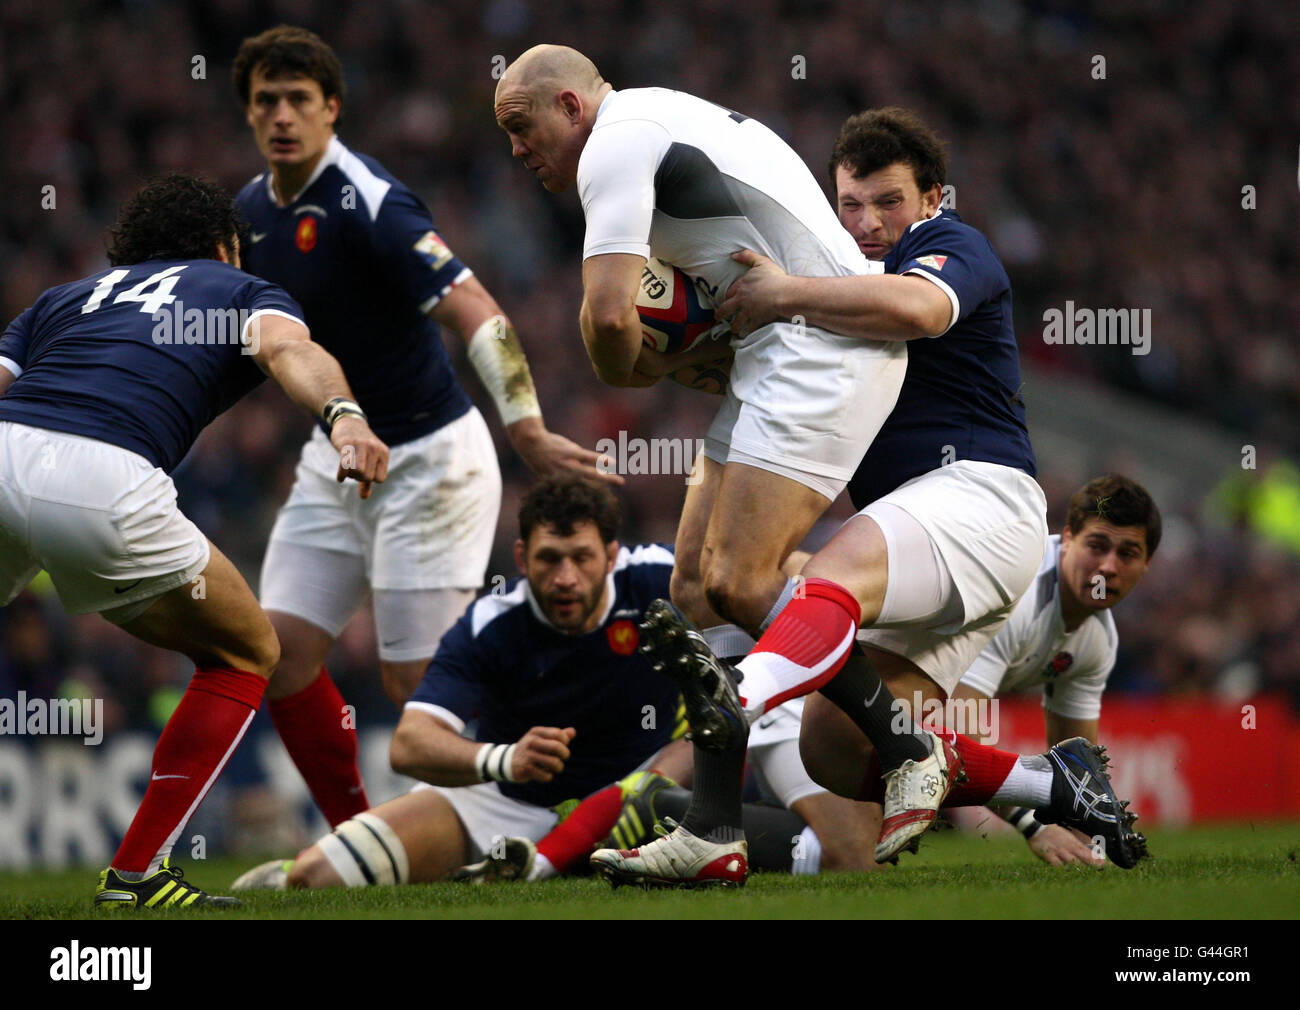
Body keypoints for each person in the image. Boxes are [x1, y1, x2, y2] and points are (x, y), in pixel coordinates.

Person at [590, 108, 1145, 885]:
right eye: (850, 203)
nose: (868, 221)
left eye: (888, 201)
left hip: (980, 499)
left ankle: (724, 748)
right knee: (838, 752)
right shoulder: (832, 281)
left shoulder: (950, 246)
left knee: (820, 587)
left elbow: (918, 310)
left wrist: (781, 294)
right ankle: (1052, 783)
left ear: (933, 198)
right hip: (926, 543)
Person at [230, 26, 615, 832]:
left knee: (418, 691)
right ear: (248, 114)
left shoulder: (370, 200)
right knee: (278, 655)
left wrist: (528, 426)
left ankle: (537, 818)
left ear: (331, 108)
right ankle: (356, 835)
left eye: (299, 99)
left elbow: (476, 308)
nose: (282, 116)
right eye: (266, 100)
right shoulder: (247, 216)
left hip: (431, 461)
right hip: (334, 457)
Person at [0, 173, 387, 907]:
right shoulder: (236, 288)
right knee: (247, 650)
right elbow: (287, 353)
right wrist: (344, 414)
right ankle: (137, 875)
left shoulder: (64, 298)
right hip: (103, 472)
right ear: (223, 245)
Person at [231, 478, 876, 891]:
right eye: (548, 560)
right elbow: (409, 745)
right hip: (512, 804)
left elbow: (771, 574)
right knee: (318, 880)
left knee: (843, 853)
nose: (565, 577)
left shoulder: (657, 584)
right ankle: (290, 876)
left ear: (612, 556)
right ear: (521, 560)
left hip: (650, 805)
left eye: (581, 558)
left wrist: (848, 583)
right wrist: (502, 758)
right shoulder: (492, 624)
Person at [803, 475, 1160, 867]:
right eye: (1097, 546)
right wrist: (1034, 825)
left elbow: (1078, 765)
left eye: (1127, 553)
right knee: (851, 854)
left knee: (846, 852)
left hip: (873, 714)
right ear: (1068, 537)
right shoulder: (1022, 593)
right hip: (826, 682)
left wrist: (1087, 834)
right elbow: (961, 726)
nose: (1107, 566)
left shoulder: (1097, 640)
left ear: (1146, 566)